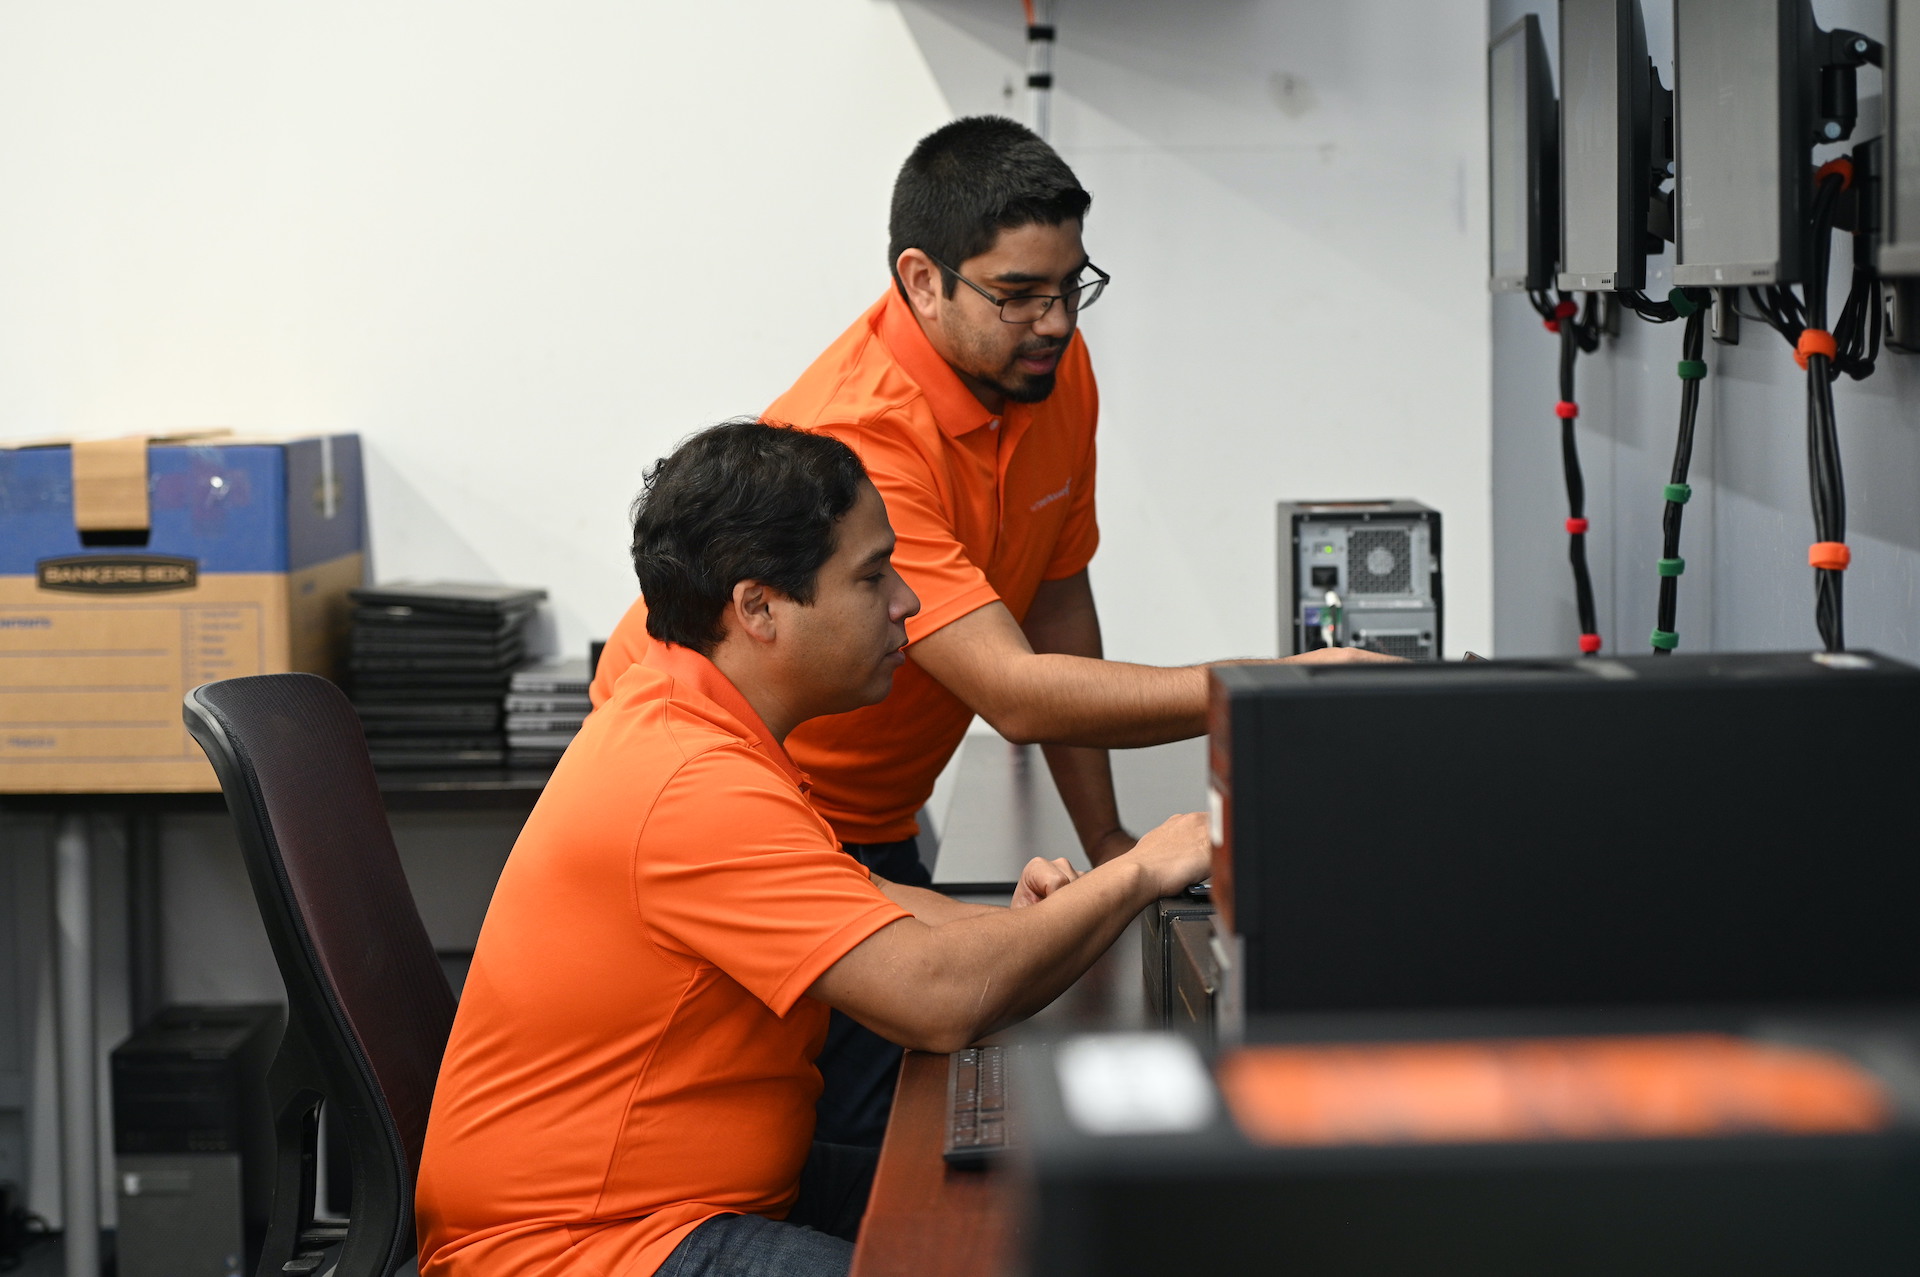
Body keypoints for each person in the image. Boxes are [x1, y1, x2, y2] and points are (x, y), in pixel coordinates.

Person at [588, 116, 1389, 1145]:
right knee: (877, 1111)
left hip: (870, 805)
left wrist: (1106, 842)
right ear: (923, 280)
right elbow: (1012, 690)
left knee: (925, 1084)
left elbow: (1057, 600)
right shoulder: (863, 437)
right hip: (768, 795)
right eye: (1018, 295)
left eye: (1071, 286)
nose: (1054, 321)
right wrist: (1288, 682)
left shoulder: (1047, 371)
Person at [415, 420, 1211, 1277]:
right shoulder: (690, 781)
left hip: (694, 1196)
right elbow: (936, 998)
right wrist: (1140, 868)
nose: (907, 602)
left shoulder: (690, 721)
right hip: (585, 1246)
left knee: (1043, 1214)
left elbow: (888, 915)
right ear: (759, 607)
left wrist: (1020, 929)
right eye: (872, 577)